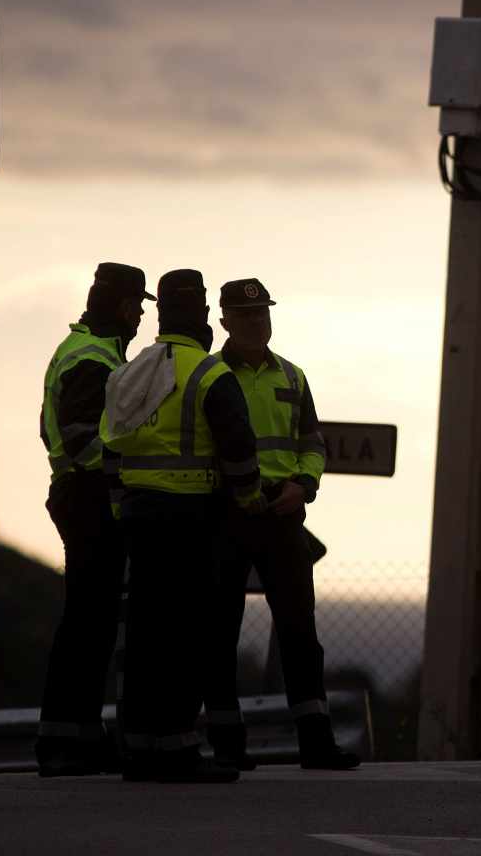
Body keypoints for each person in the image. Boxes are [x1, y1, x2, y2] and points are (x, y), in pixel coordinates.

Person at [99, 269, 265, 783]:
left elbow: (110, 445)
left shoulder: (133, 371)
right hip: (193, 519)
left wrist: (120, 505)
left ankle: (142, 750)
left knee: (146, 635)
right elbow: (238, 450)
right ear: (202, 317)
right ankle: (178, 750)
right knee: (187, 636)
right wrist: (250, 498)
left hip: (141, 518)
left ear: (163, 313)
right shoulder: (210, 375)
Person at [202, 278, 359, 771]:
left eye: (263, 314)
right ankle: (228, 745)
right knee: (220, 629)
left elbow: (312, 443)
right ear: (224, 320)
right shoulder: (207, 376)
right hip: (226, 514)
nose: (256, 323)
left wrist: (303, 486)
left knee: (299, 629)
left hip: (283, 514)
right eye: (245, 316)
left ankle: (315, 741)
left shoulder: (292, 377)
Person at [35, 263, 152, 777]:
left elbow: (52, 430)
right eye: (140, 304)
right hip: (90, 497)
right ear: (125, 307)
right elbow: (84, 437)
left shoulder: (84, 350)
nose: (144, 314)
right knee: (87, 625)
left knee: (93, 624)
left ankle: (78, 738)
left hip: (80, 493)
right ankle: (65, 743)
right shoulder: (93, 359)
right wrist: (130, 467)